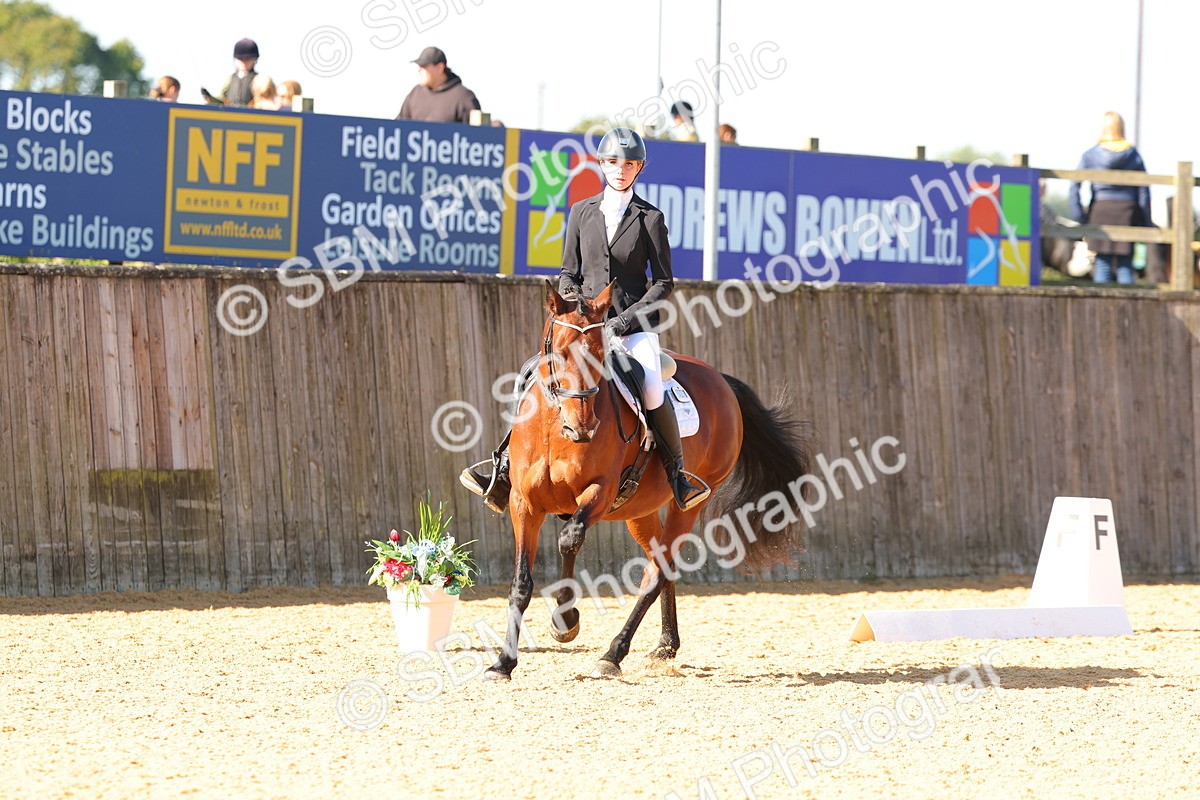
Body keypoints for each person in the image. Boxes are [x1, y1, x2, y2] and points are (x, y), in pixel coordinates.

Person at [461, 128, 710, 513]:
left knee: (651, 386)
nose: (621, 170)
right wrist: (581, 310)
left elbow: (663, 282)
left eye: (629, 164)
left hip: (633, 326)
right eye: (614, 162)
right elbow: (567, 273)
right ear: (602, 164)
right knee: (530, 374)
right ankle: (505, 468)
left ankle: (677, 474)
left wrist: (623, 321)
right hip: (585, 327)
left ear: (639, 167)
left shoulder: (650, 219)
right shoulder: (582, 211)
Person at [1068, 111, 1153, 284]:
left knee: (1103, 264)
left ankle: (1100, 309)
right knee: (1125, 266)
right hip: (1127, 213)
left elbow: (1074, 186)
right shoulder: (1134, 155)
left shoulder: (1090, 155)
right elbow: (1144, 191)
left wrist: (1080, 216)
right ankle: (1128, 309)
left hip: (1101, 211)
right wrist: (1145, 221)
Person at [395, 46, 480, 124]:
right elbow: (398, 127)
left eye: (424, 66)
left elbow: (477, 135)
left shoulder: (463, 97)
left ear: (440, 67)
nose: (419, 70)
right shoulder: (415, 94)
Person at [203, 38, 259, 107]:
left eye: (247, 59)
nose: (244, 63)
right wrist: (210, 98)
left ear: (254, 60)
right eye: (241, 59)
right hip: (231, 115)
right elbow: (222, 101)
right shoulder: (231, 79)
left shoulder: (260, 80)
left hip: (251, 116)